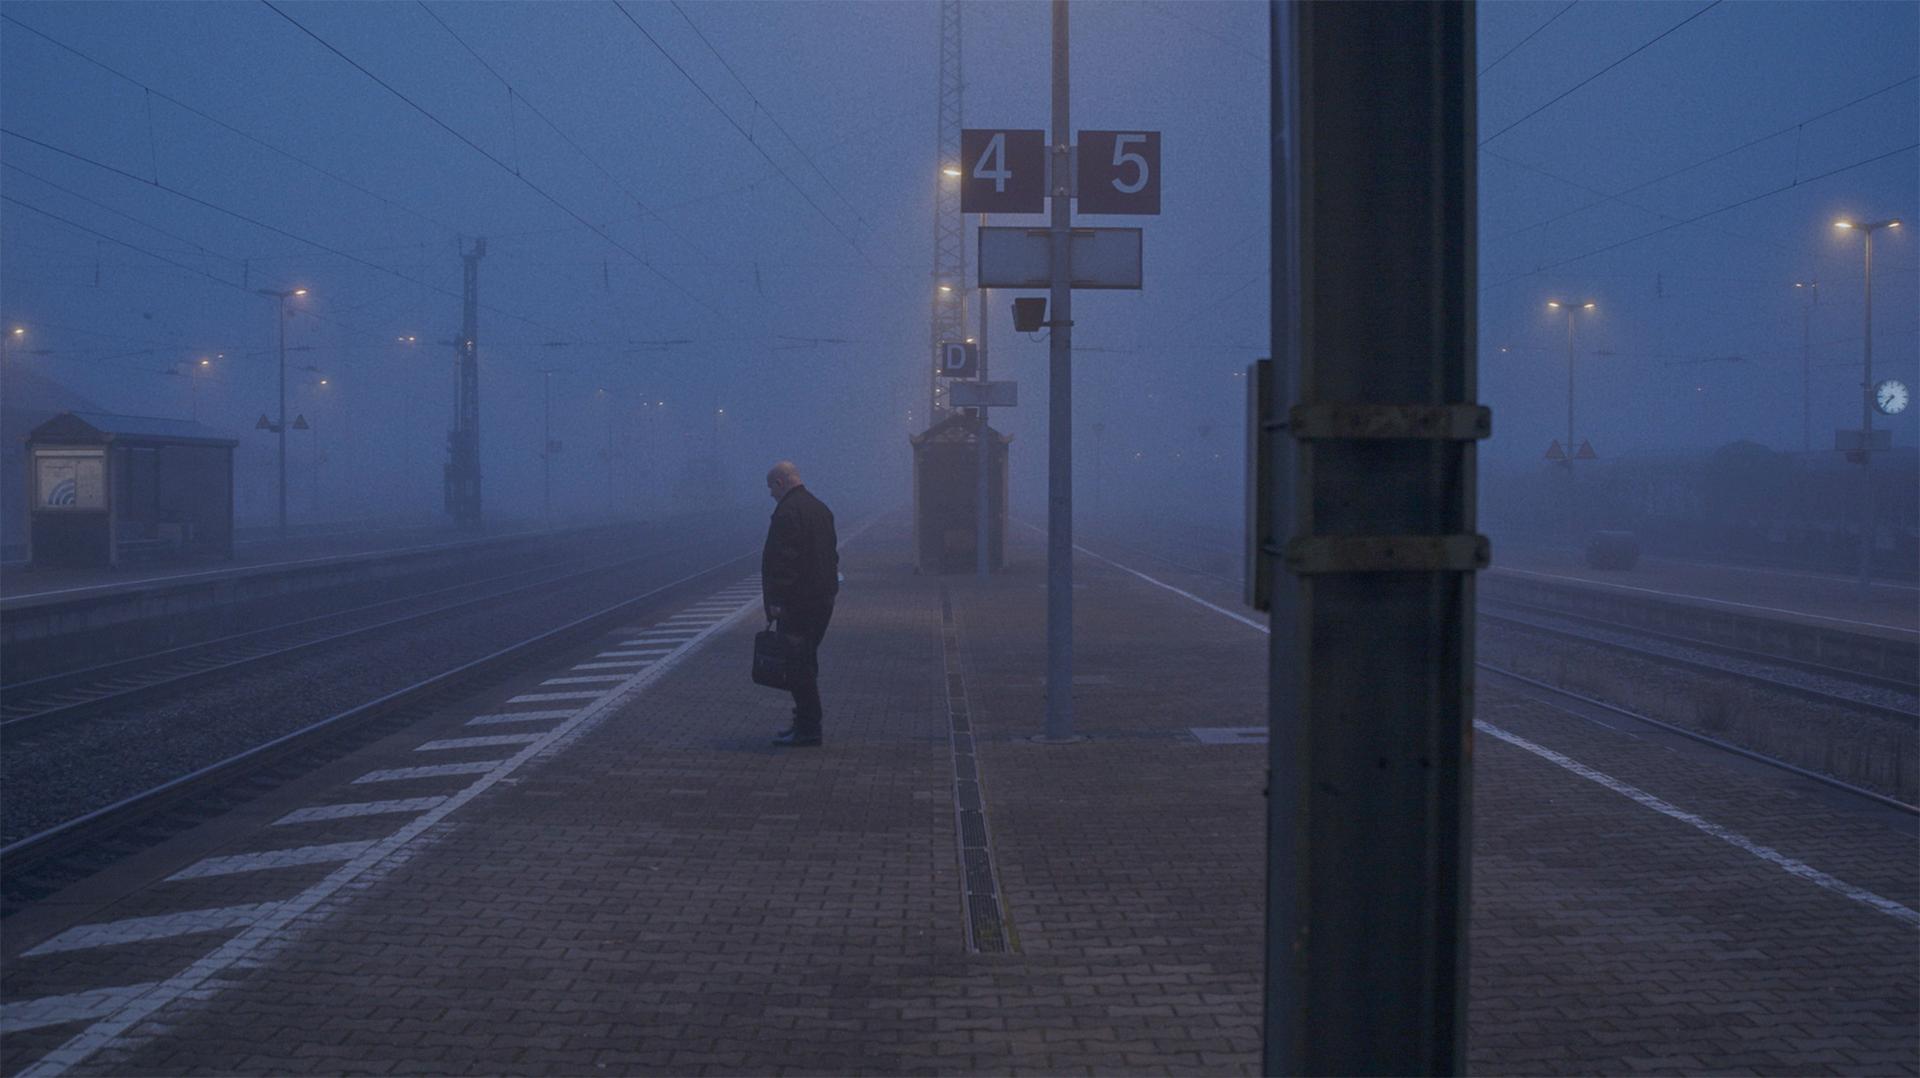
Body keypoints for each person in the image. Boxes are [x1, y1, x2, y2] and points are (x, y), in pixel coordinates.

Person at [760, 460, 838, 747]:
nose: (770, 494)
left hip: (798, 603)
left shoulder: (787, 513)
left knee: (797, 666)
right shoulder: (820, 508)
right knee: (806, 661)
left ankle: (808, 728)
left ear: (781, 483)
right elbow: (831, 555)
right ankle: (803, 724)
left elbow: (784, 561)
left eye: (771, 487)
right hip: (822, 600)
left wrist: (777, 600)